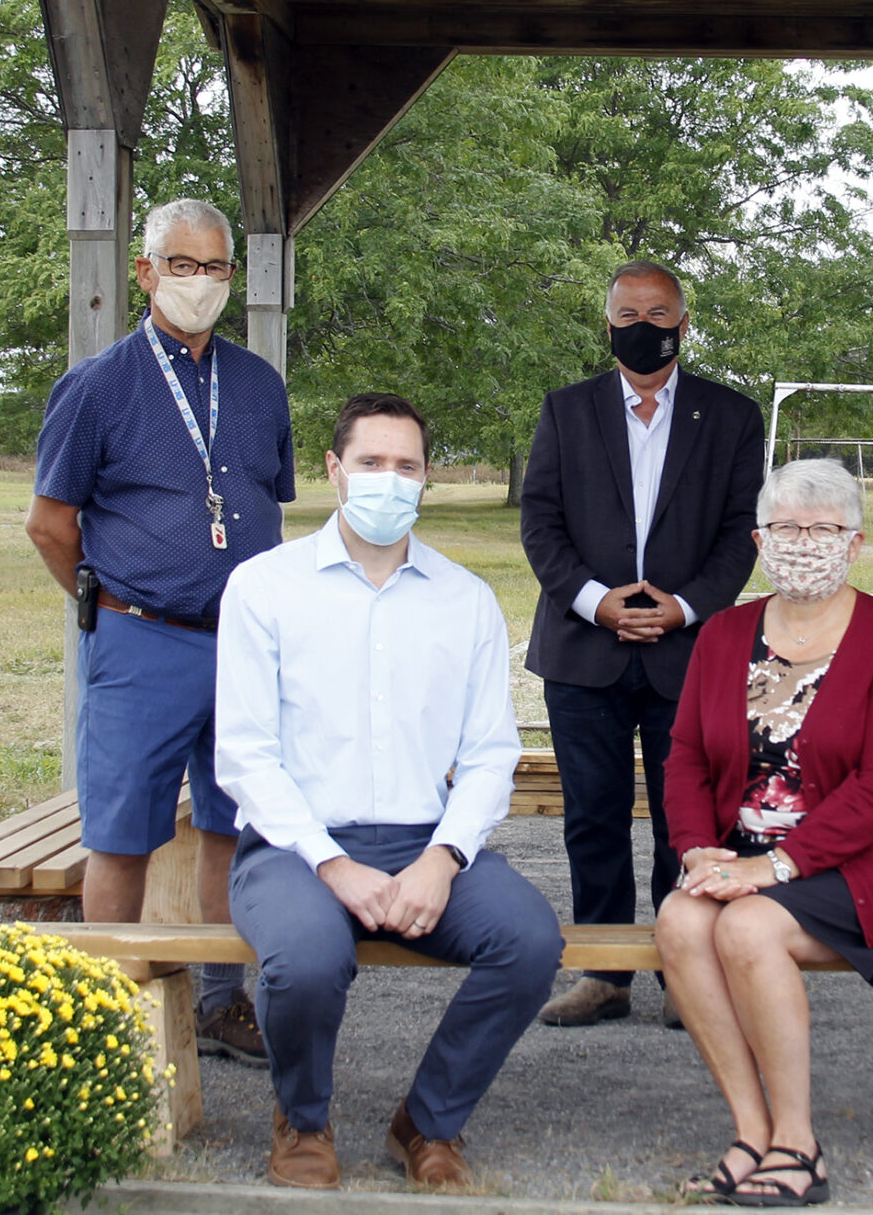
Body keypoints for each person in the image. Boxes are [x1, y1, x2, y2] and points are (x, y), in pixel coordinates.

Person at [215, 393, 565, 1190]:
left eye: (406, 467)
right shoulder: (265, 588)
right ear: (335, 471)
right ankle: (302, 1122)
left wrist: (443, 859)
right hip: (295, 849)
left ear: (425, 480)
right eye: (371, 463)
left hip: (421, 841)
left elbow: (488, 754)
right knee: (305, 960)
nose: (388, 480)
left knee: (529, 940)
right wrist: (332, 864)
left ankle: (429, 1122)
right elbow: (243, 753)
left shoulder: (464, 598)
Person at [27, 197, 290, 1065]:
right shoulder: (98, 386)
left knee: (233, 822)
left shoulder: (258, 385)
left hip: (244, 642)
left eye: (216, 267)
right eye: (183, 265)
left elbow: (261, 500)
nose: (201, 282)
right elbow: (49, 523)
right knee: (123, 827)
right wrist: (103, 604)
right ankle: (106, 1010)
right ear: (145, 272)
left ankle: (222, 1000)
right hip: (140, 636)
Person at [655, 458, 873, 1207]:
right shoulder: (724, 635)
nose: (805, 543)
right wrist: (695, 847)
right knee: (679, 920)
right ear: (761, 539)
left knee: (749, 929)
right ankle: (751, 1134)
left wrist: (778, 867)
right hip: (748, 858)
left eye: (824, 530)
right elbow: (686, 754)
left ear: (854, 545)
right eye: (789, 527)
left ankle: (800, 1143)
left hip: (869, 861)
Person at [520, 259, 766, 1027]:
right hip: (583, 649)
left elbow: (739, 534)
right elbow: (540, 523)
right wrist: (598, 604)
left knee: (685, 822)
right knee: (591, 818)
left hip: (687, 654)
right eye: (628, 314)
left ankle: (681, 973)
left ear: (684, 323)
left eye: (659, 314)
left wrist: (685, 608)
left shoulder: (731, 416)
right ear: (607, 324)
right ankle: (604, 974)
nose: (643, 328)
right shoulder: (566, 411)